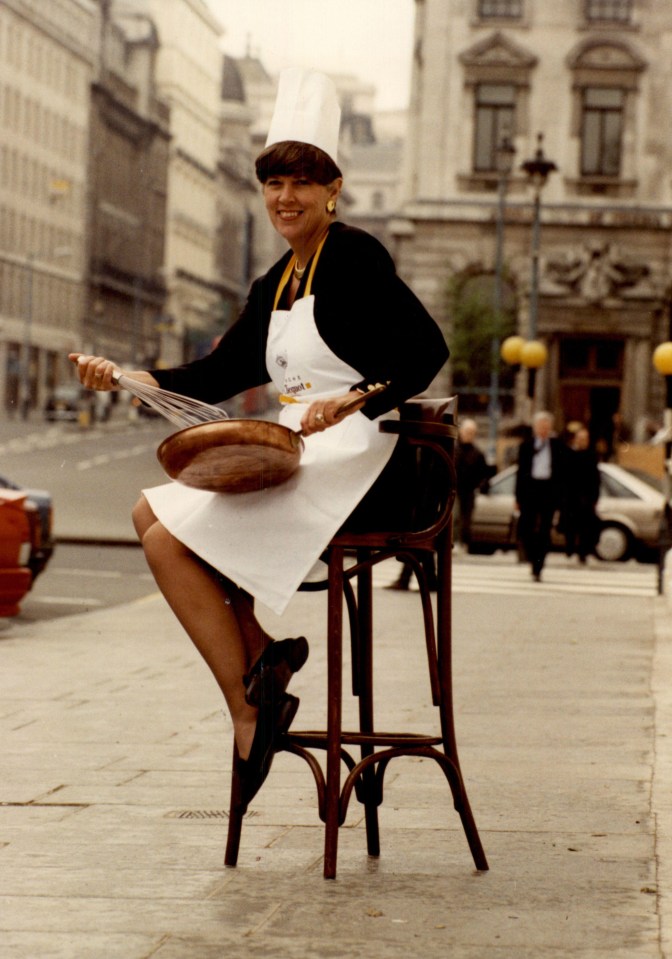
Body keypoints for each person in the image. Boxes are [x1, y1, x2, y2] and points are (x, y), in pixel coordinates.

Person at [69, 69, 449, 807]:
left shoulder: (356, 256)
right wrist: (124, 375)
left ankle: (250, 710)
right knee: (150, 514)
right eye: (274, 182)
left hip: (363, 458)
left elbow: (425, 349)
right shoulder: (274, 281)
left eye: (302, 182)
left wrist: (355, 398)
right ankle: (263, 660)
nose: (285, 198)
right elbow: (216, 373)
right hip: (302, 450)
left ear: (332, 187)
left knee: (163, 537)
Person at [514, 410, 565, 582]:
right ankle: (530, 554)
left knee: (544, 530)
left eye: (546, 426)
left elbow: (563, 472)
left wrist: (560, 497)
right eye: (540, 426)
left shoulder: (557, 446)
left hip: (548, 490)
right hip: (530, 490)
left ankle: (538, 566)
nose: (543, 429)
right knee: (526, 528)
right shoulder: (526, 446)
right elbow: (520, 473)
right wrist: (517, 497)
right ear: (535, 428)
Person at [561, 426, 600, 564]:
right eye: (581, 439)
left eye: (586, 439)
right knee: (570, 525)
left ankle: (582, 552)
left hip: (586, 498)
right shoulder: (568, 454)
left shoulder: (591, 456)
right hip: (571, 497)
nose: (583, 441)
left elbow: (596, 479)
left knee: (586, 527)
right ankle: (570, 548)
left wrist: (594, 498)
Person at [454, 418, 488, 550]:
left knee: (466, 520)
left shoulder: (478, 453)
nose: (469, 435)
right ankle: (454, 542)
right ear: (461, 432)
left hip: (469, 491)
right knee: (455, 517)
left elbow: (483, 473)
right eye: (467, 431)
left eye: (472, 432)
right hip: (454, 489)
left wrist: (480, 485)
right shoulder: (453, 449)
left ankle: (463, 543)